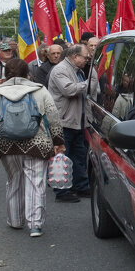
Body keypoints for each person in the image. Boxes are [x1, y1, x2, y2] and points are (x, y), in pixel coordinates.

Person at [0, 57, 65, 238]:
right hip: (37, 143)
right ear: (28, 73)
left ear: (5, 74)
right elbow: (54, 116)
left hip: (6, 144)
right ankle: (35, 224)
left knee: (14, 180)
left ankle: (16, 220)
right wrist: (58, 141)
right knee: (36, 182)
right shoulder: (40, 91)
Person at [48, 44, 92, 203]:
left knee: (78, 155)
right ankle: (61, 191)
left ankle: (80, 186)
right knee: (61, 156)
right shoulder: (60, 70)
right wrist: (89, 83)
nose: (87, 60)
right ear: (75, 56)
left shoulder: (77, 71)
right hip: (63, 121)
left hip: (76, 121)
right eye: (85, 57)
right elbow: (69, 90)